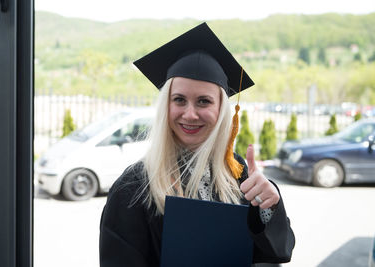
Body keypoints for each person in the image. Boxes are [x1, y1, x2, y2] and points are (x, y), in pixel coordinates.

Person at [99, 22, 295, 267]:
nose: (190, 114)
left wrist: (269, 205)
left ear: (221, 110)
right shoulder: (134, 187)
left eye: (203, 101)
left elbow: (277, 254)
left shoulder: (238, 173)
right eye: (179, 100)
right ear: (166, 106)